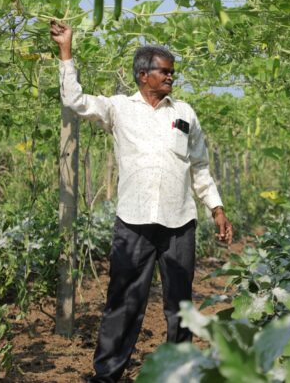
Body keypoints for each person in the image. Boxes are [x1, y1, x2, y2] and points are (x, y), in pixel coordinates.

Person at [49, 20, 233, 382]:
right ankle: (107, 374)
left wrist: (216, 207)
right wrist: (66, 51)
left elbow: (200, 166)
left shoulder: (185, 113)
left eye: (172, 73)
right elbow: (74, 100)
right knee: (124, 303)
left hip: (179, 223)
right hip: (133, 223)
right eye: (164, 72)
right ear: (143, 75)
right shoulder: (119, 108)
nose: (170, 78)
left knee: (179, 306)